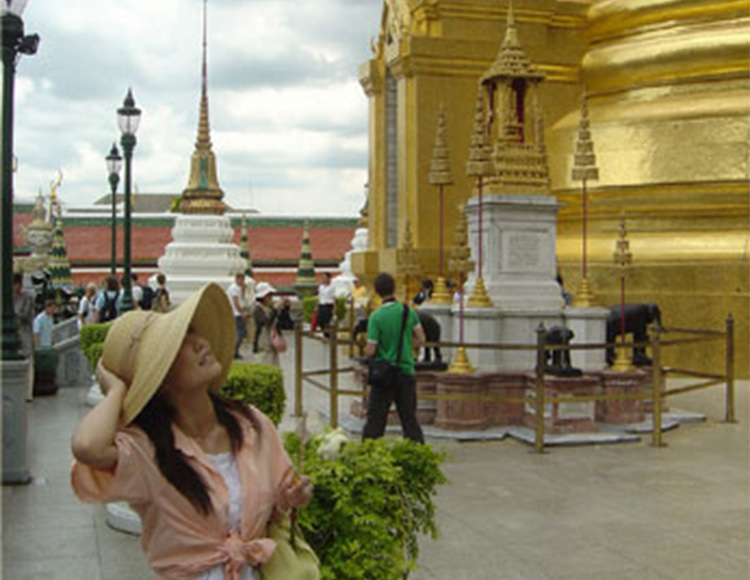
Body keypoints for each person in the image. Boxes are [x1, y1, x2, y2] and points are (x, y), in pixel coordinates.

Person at [70, 283, 313, 580]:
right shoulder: (148, 452)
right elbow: (87, 448)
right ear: (160, 379)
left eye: (194, 332)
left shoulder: (251, 425)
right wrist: (117, 391)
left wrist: (290, 499)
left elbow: (273, 508)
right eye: (181, 342)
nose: (200, 343)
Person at [362, 272, 425, 443]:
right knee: (409, 418)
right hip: (406, 370)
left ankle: (369, 451)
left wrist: (366, 351)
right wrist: (407, 347)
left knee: (376, 420)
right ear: (394, 288)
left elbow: (371, 349)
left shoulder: (376, 317)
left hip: (384, 374)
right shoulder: (408, 311)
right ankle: (416, 451)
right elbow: (421, 338)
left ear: (377, 291)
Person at [13, 273, 36, 400]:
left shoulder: (27, 298)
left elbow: (26, 316)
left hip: (25, 334)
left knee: (28, 363)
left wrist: (16, 314)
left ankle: (28, 394)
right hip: (13, 336)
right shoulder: (9, 298)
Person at [253, 282, 280, 367]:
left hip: (272, 341)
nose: (270, 297)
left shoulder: (269, 307)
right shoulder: (257, 310)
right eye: (268, 295)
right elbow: (267, 322)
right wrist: (275, 310)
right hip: (263, 342)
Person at [227, 273, 249, 359]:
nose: (243, 282)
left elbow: (242, 299)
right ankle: (234, 351)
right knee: (241, 332)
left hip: (236, 313)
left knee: (240, 332)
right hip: (236, 313)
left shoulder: (237, 288)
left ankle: (235, 350)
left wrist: (244, 290)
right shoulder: (234, 288)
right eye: (242, 280)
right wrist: (241, 312)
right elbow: (236, 301)